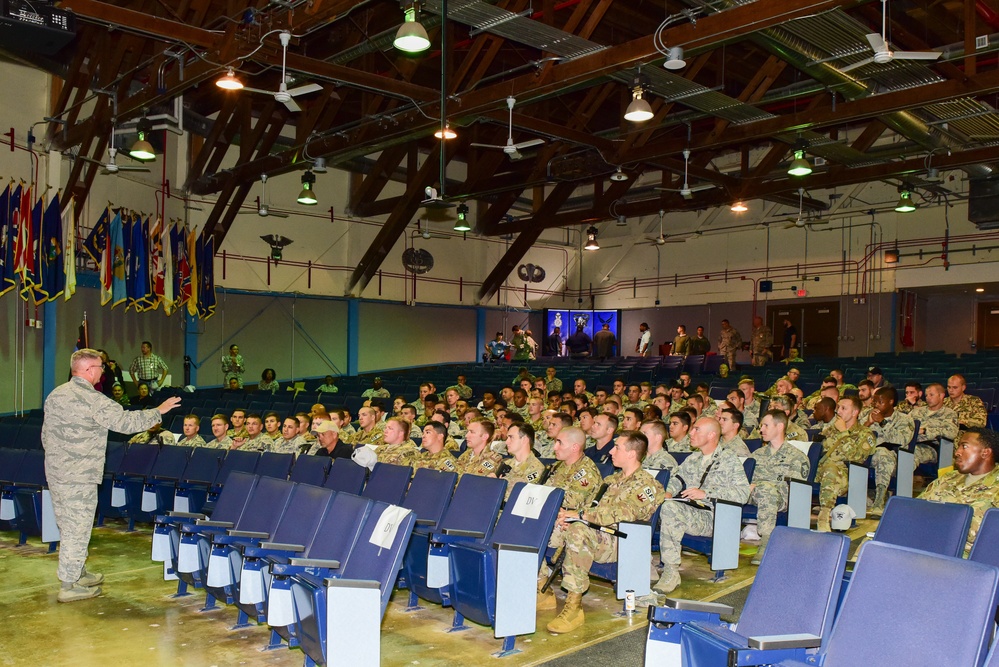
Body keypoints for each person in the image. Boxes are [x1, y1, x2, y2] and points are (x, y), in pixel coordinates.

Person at [42, 348, 181, 602]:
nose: (102, 371)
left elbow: (45, 435)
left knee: (68, 525)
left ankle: (77, 571)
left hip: (57, 471)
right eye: (100, 367)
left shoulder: (55, 394)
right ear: (88, 370)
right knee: (78, 527)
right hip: (80, 475)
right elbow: (125, 423)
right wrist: (158, 411)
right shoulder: (92, 399)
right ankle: (69, 586)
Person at [542, 430, 665, 632]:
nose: (612, 451)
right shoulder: (611, 481)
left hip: (623, 540)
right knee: (548, 524)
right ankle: (540, 587)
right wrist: (570, 519)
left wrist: (580, 517)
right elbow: (591, 507)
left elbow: (624, 513)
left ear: (632, 454)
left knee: (578, 532)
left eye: (617, 447)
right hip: (597, 533)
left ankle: (574, 606)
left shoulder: (648, 485)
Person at [653, 418, 750, 594]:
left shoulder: (728, 459)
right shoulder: (694, 458)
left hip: (715, 517)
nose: (691, 433)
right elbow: (678, 479)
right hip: (692, 512)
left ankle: (671, 570)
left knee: (670, 509)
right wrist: (667, 492)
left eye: (697, 429)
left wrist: (707, 493)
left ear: (712, 435)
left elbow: (743, 494)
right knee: (661, 502)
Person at [918, 427, 999, 554]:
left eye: (964, 446)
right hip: (929, 549)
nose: (957, 452)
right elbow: (916, 510)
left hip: (970, 560)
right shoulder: (948, 478)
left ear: (985, 453)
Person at [748, 411, 811, 564]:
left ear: (780, 426)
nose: (761, 429)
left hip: (781, 498)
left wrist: (761, 485)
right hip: (753, 494)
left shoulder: (797, 457)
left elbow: (795, 490)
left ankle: (766, 541)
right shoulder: (757, 454)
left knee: (767, 490)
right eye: (761, 425)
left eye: (766, 425)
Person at [815, 396, 876, 531]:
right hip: (821, 469)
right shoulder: (830, 430)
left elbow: (856, 457)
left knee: (831, 469)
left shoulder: (865, 434)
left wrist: (844, 432)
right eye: (838, 408)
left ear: (855, 412)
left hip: (846, 475)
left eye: (843, 408)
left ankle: (824, 517)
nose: (839, 412)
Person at [866, 387, 916, 515]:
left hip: (893, 458)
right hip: (866, 454)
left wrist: (882, 422)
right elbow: (854, 434)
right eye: (874, 401)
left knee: (882, 453)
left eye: (880, 402)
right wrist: (868, 422)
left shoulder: (904, 419)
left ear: (891, 402)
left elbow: (902, 439)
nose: (876, 405)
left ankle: (880, 500)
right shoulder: (867, 415)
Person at [497, 423, 546, 500]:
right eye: (507, 437)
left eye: (511, 437)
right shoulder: (505, 463)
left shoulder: (537, 468)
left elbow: (524, 496)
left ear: (524, 440)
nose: (507, 442)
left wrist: (500, 484)